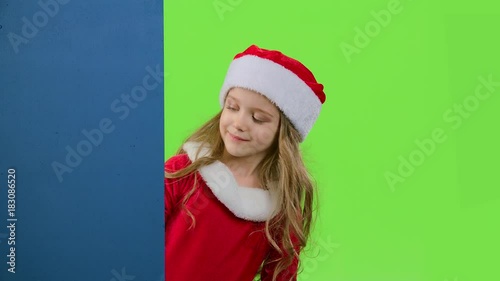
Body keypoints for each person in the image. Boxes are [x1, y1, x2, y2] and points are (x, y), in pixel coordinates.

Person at [165, 44, 326, 281]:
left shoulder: (280, 210)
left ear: (284, 135)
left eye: (258, 118)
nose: (239, 123)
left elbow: (281, 275)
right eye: (232, 107)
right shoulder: (185, 170)